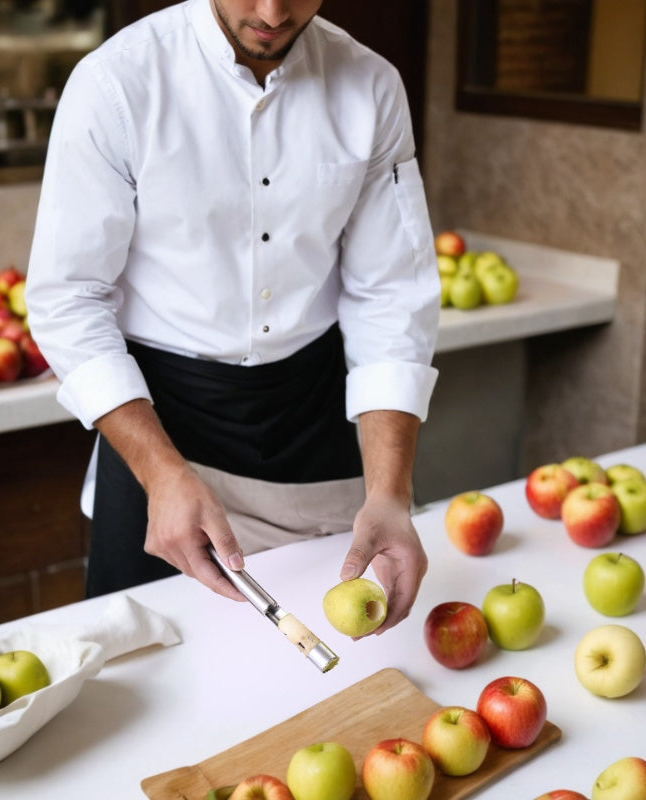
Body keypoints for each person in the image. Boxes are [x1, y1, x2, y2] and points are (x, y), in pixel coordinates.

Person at [25, 0, 441, 636]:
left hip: (312, 417)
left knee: (336, 672)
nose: (272, 12)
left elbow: (391, 294)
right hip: (161, 421)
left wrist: (390, 492)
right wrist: (161, 475)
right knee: (151, 674)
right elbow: (68, 297)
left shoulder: (371, 84)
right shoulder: (116, 82)